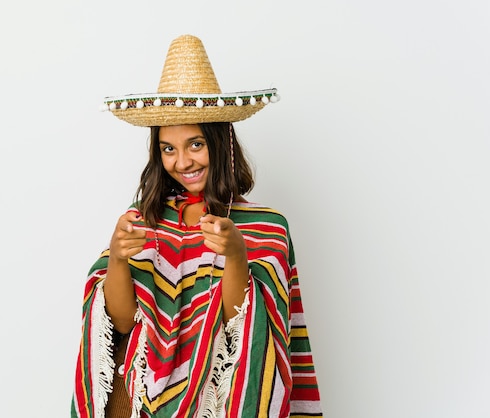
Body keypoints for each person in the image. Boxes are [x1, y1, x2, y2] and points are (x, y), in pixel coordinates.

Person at [72, 34, 323, 418]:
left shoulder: (266, 226)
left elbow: (247, 332)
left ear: (221, 142)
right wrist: (119, 258)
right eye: (168, 148)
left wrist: (236, 253)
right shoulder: (143, 219)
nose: (182, 161)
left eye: (196, 144)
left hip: (220, 404)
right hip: (136, 404)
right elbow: (119, 324)